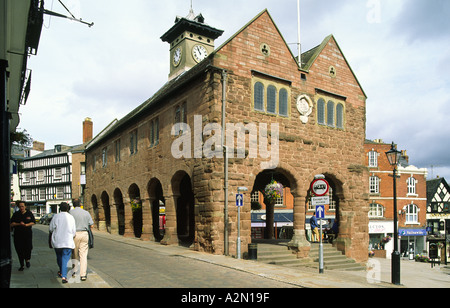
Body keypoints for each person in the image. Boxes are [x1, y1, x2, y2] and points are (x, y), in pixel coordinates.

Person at [49, 202, 76, 283]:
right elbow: (73, 231)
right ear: (68, 209)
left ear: (60, 208)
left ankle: (61, 271)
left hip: (57, 241)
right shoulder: (71, 217)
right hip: (67, 241)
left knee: (59, 257)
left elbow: (51, 229)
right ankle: (64, 276)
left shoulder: (56, 217)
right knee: (65, 259)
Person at [70, 198, 93, 281]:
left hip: (74, 234)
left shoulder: (70, 213)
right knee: (83, 255)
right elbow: (91, 225)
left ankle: (75, 271)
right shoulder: (86, 213)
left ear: (73, 204)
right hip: (84, 234)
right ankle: (83, 274)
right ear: (80, 204)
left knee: (74, 253)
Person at [10, 201, 35, 271]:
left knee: (28, 248)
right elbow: (11, 224)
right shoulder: (16, 214)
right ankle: (22, 265)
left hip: (27, 235)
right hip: (18, 235)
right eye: (20, 206)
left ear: (25, 206)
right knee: (19, 250)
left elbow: (33, 222)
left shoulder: (29, 214)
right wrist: (19, 224)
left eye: (22, 206)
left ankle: (27, 260)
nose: (21, 208)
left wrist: (26, 225)